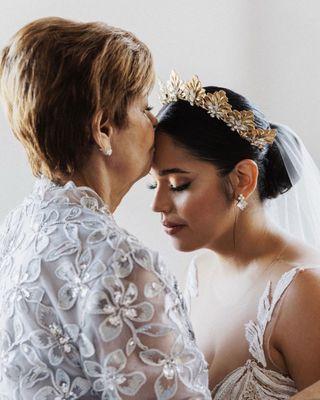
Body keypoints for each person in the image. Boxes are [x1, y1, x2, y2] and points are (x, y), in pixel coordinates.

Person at [0, 20, 210, 399]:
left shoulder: (15, 230)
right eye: (144, 107)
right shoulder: (119, 262)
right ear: (103, 129)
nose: (154, 122)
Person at [150, 71, 320, 399]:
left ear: (242, 178)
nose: (158, 204)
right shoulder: (199, 273)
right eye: (152, 185)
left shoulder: (302, 291)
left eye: (177, 185)